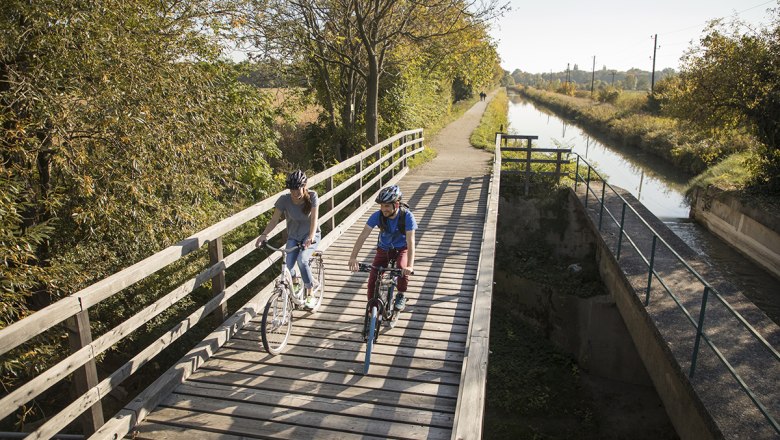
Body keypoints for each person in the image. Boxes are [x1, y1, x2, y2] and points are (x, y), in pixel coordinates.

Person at [256, 170, 321, 309]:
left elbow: (314, 220)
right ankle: (296, 283)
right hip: (294, 236)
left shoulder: (312, 196)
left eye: (297, 190)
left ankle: (310, 293)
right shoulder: (284, 200)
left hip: (311, 236)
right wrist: (264, 235)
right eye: (292, 190)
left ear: (304, 186)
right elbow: (274, 221)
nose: (295, 193)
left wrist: (310, 237)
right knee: (287, 266)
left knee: (302, 260)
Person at [348, 185, 417, 314]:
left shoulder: (407, 216)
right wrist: (353, 257)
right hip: (384, 248)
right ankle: (371, 310)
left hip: (402, 248)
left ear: (396, 205)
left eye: (386, 206)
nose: (383, 209)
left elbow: (411, 241)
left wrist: (410, 266)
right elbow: (363, 236)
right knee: (373, 278)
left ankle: (401, 294)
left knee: (402, 268)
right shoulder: (377, 216)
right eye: (382, 206)